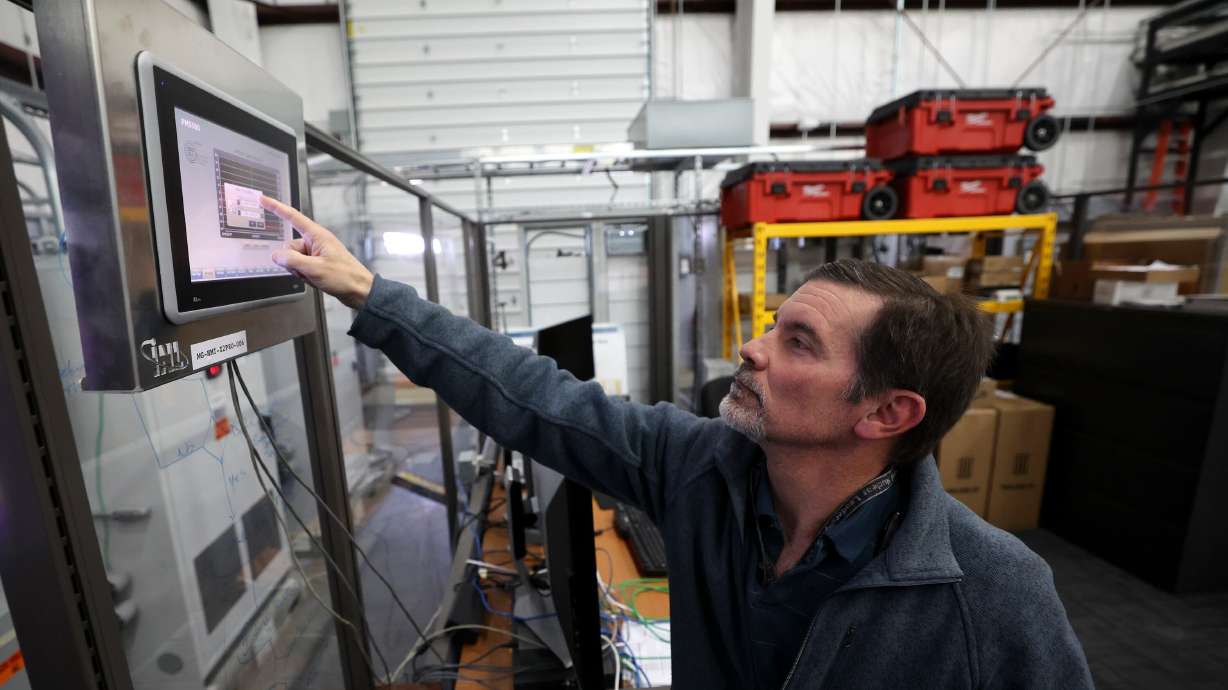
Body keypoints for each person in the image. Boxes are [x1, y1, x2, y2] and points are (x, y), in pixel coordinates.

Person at [260, 195, 1093, 690]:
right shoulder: (701, 467)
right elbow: (532, 399)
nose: (754, 348)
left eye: (799, 343)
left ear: (884, 414)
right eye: (775, 324)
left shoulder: (994, 593)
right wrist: (368, 292)